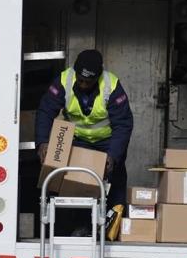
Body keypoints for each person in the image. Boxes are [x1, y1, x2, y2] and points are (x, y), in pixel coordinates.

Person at [35, 49, 133, 209]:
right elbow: (45, 111)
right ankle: (78, 227)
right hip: (79, 140)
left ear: (98, 76)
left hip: (107, 142)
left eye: (89, 82)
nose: (83, 85)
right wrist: (42, 142)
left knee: (116, 179)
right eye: (80, 80)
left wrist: (113, 156)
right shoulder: (63, 81)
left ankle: (113, 229)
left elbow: (123, 124)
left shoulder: (112, 86)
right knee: (71, 182)